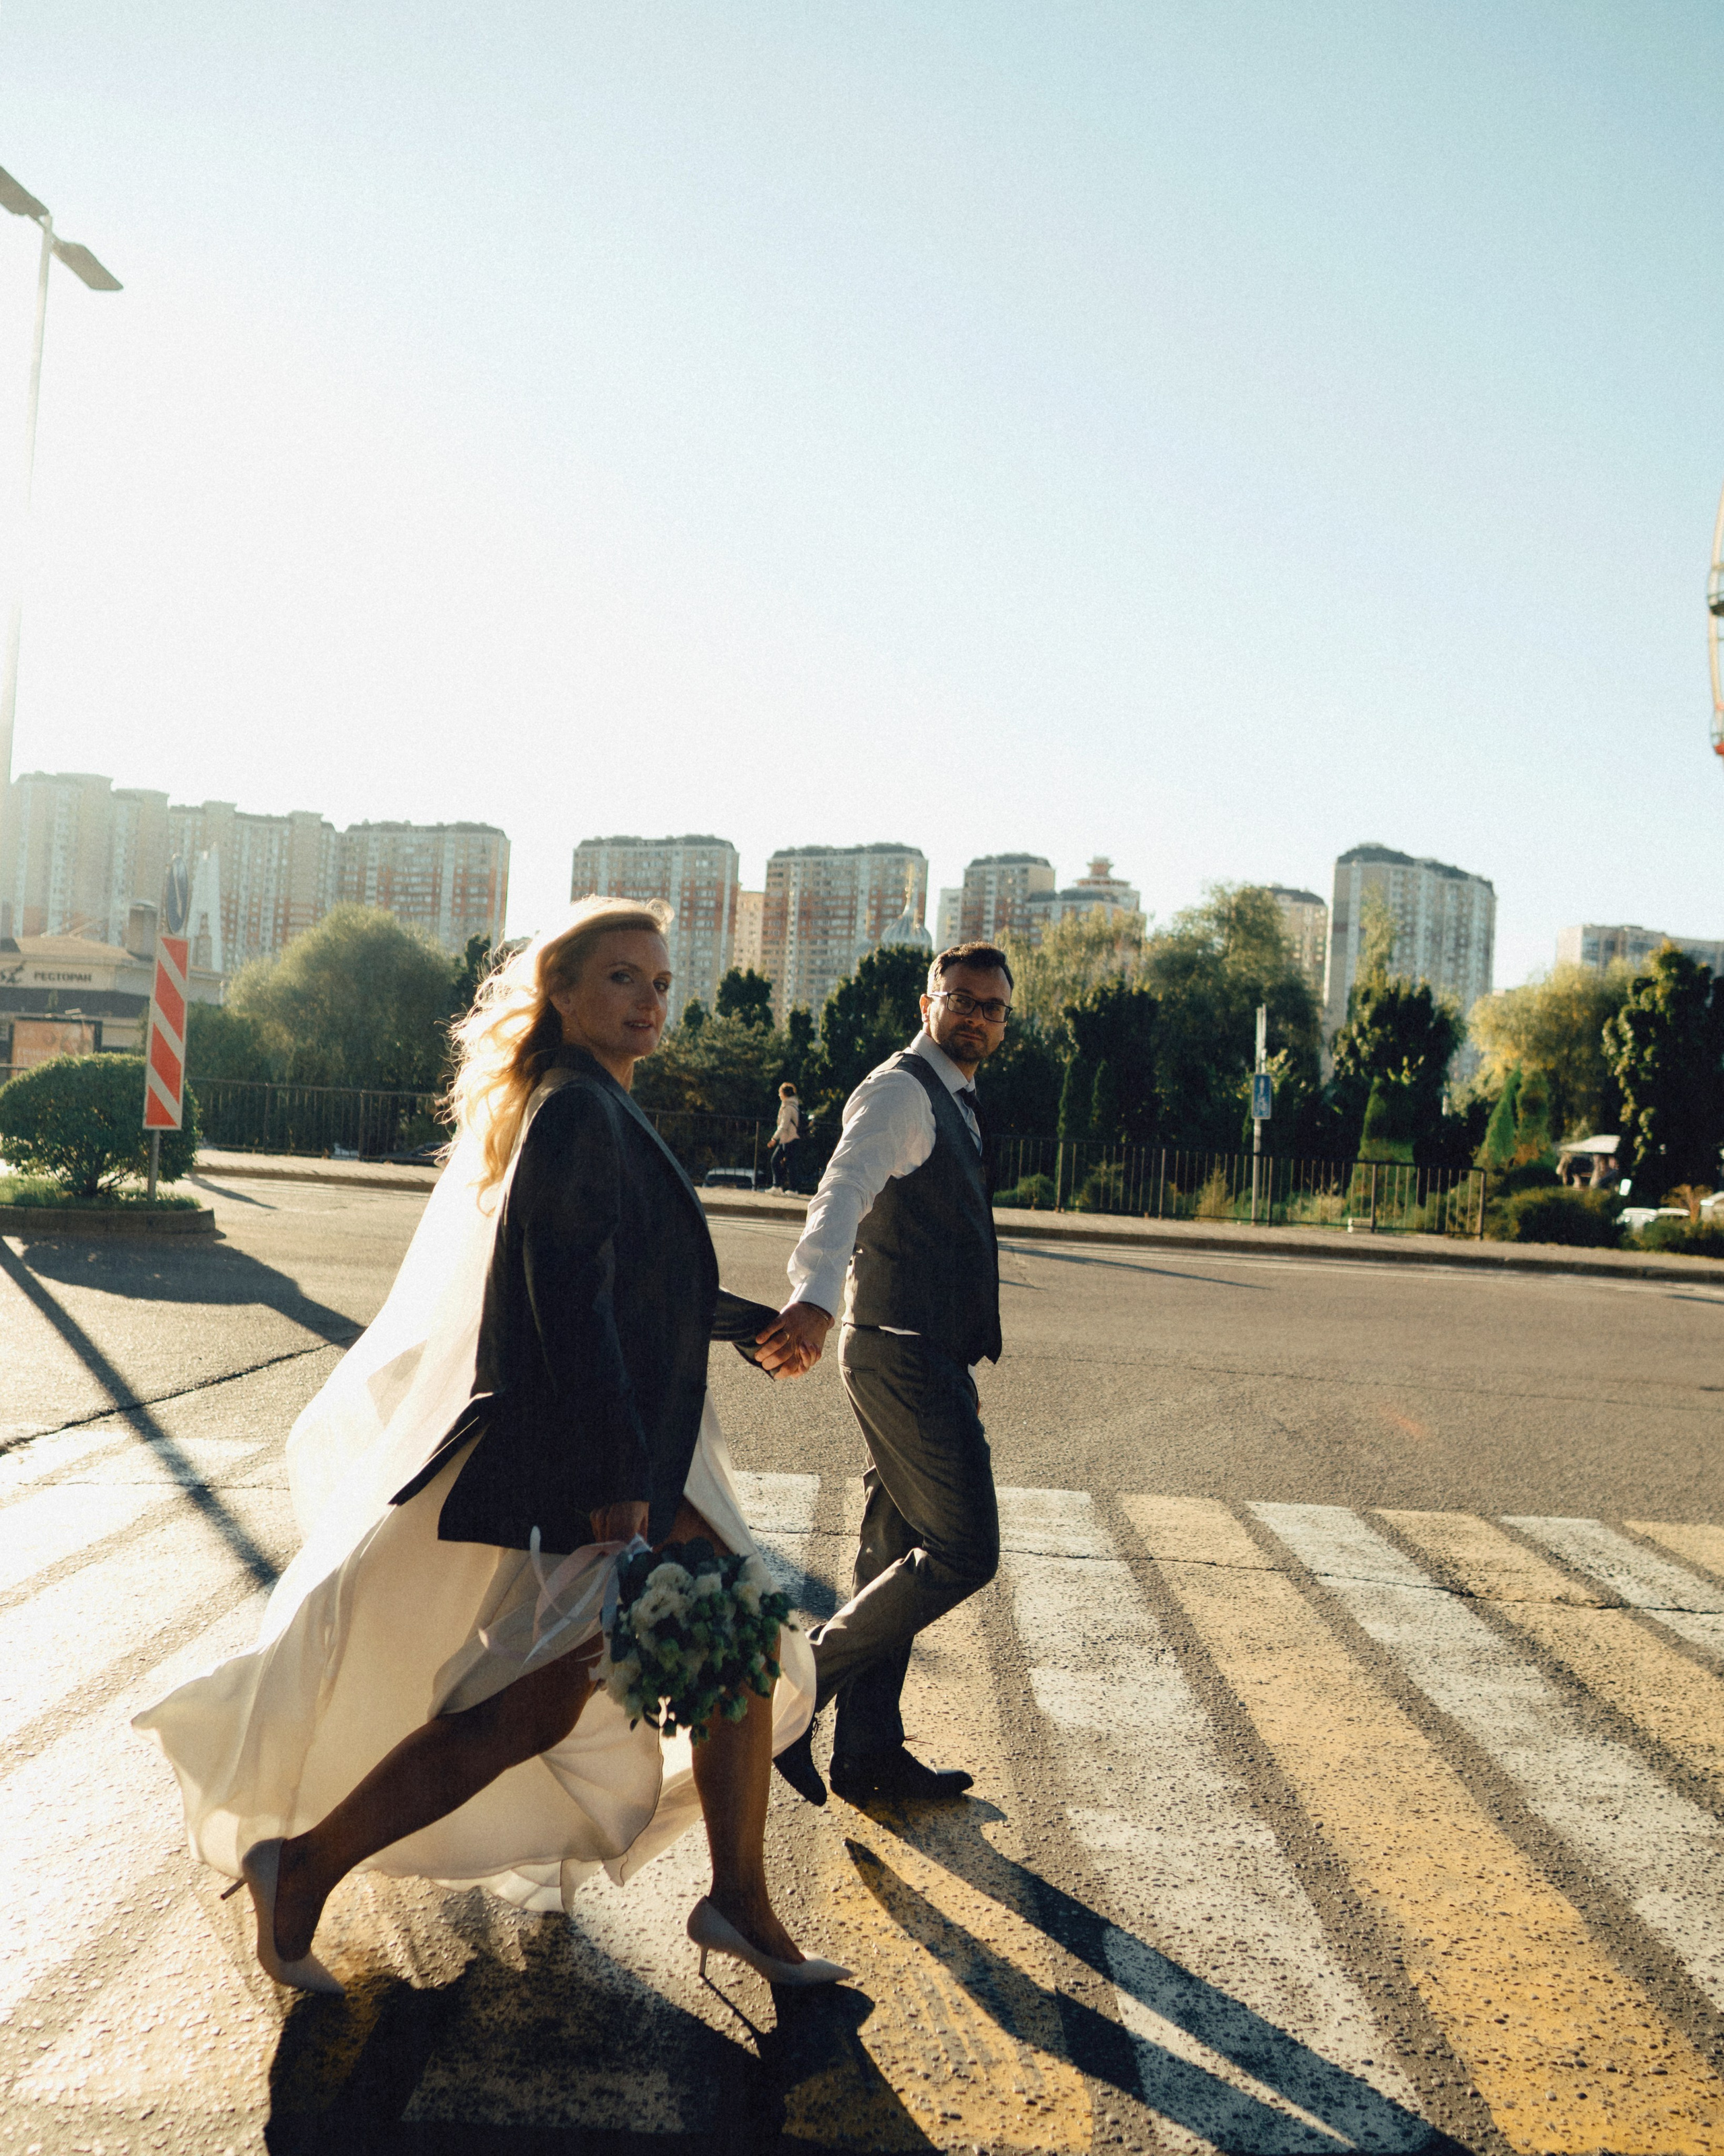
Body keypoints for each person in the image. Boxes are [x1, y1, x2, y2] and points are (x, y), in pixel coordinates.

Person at [135, 897, 845, 1994]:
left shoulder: (593, 1104)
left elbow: (633, 1277)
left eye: (660, 984)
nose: (649, 1001)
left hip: (623, 1454)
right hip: (589, 1461)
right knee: (535, 1702)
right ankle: (307, 1862)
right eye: (621, 978)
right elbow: (566, 1294)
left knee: (704, 1652)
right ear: (560, 993)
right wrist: (617, 1475)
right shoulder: (571, 1108)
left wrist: (747, 1323)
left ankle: (739, 1899)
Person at [753, 942, 1009, 1806]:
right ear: (928, 1000)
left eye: (992, 1007)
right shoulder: (903, 1089)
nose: (976, 1015)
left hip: (921, 1348)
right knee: (965, 1547)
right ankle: (793, 1696)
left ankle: (866, 1754)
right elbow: (843, 1190)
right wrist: (814, 1298)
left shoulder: (957, 1096)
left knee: (893, 1552)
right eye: (961, 999)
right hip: (896, 1350)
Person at [767, 1082, 801, 1192]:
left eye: (780, 1093)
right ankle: (778, 1186)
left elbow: (783, 1126)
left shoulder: (788, 1107)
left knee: (788, 1165)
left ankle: (791, 1189)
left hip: (789, 1139)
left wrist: (774, 1139)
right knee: (778, 1161)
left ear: (785, 1094)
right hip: (786, 1139)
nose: (779, 1095)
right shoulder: (792, 1106)